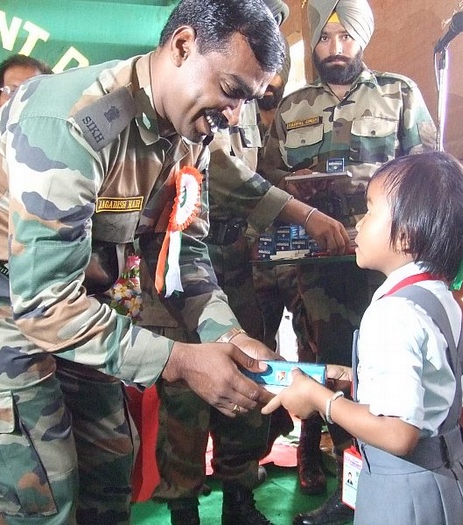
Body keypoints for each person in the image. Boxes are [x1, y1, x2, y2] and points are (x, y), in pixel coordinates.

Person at [0, 1, 287, 524]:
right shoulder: (71, 121)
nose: (235, 115)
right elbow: (44, 305)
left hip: (70, 294)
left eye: (249, 100)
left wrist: (228, 336)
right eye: (231, 90)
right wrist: (179, 361)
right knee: (33, 492)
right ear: (182, 46)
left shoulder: (190, 130)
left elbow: (181, 251)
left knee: (109, 464)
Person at [145, 3, 351, 523]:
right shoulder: (187, 88)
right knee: (185, 396)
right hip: (179, 264)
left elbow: (255, 172)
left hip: (236, 261)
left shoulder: (249, 93)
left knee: (249, 375)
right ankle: (184, 507)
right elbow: (222, 171)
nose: (236, 112)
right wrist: (302, 212)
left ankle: (240, 494)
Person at [263, 151, 463, 525]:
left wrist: (319, 398)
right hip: (453, 480)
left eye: (369, 211)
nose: (359, 223)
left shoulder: (391, 313)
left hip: (406, 495)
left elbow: (398, 434)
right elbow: (429, 381)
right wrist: (350, 377)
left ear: (407, 232)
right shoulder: (435, 295)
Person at [258, 1, 437, 522]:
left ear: (362, 39)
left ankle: (379, 481)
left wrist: (373, 184)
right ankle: (346, 484)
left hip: (386, 263)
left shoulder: (398, 93)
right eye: (325, 38)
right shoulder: (294, 107)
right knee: (334, 364)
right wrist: (298, 198)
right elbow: (266, 180)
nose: (335, 48)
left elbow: (429, 170)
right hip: (319, 268)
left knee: (381, 370)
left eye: (346, 37)